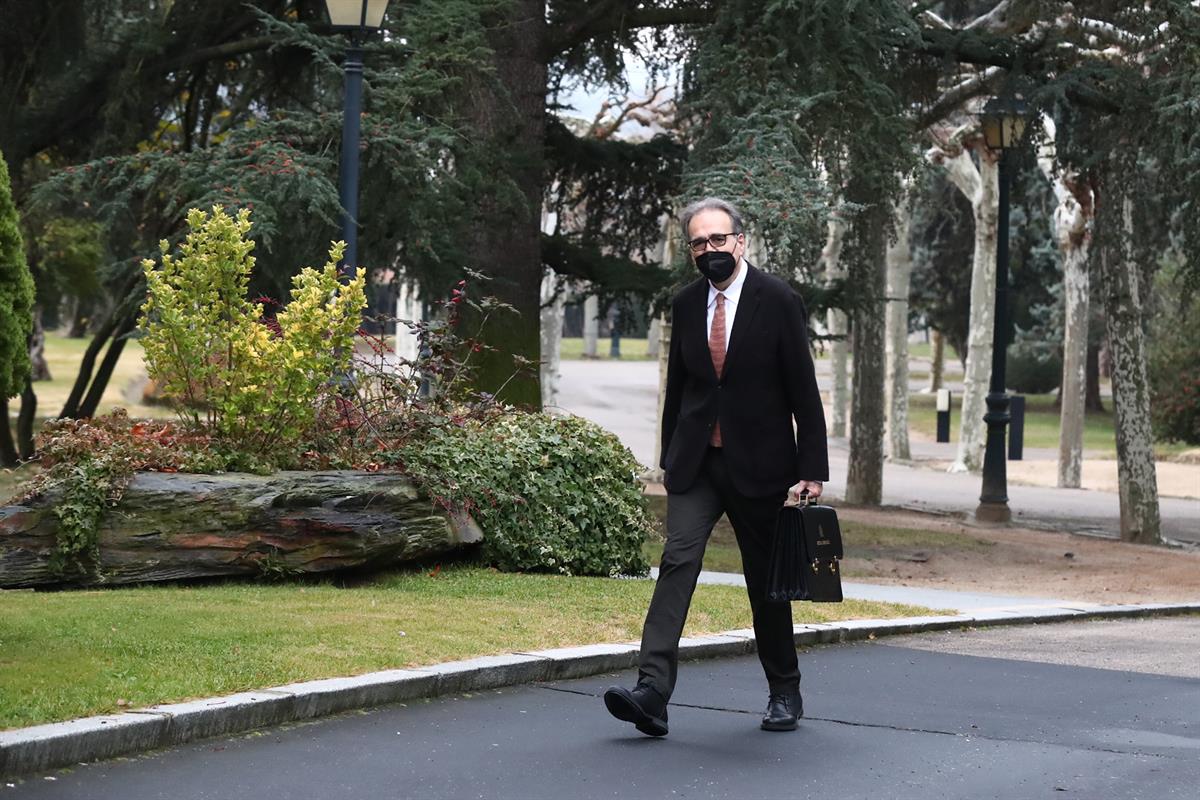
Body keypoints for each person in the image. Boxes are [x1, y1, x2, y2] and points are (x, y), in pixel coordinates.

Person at [603, 196, 829, 736]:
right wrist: (668, 459)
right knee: (677, 563)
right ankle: (652, 692)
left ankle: (784, 691)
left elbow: (804, 390)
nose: (710, 250)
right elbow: (679, 392)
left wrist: (812, 468)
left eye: (718, 240)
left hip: (763, 468)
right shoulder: (685, 305)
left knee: (763, 582)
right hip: (698, 465)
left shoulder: (778, 300)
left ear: (740, 241)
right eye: (699, 243)